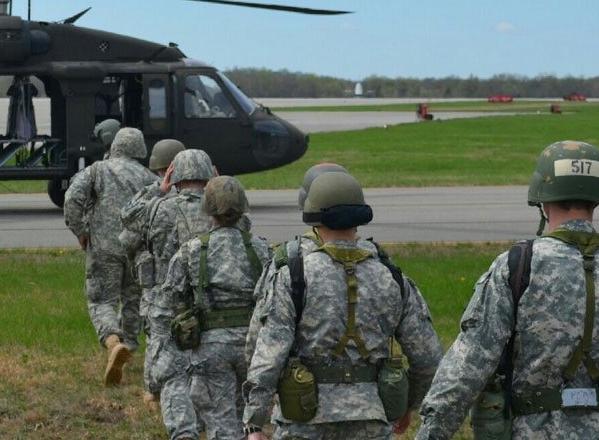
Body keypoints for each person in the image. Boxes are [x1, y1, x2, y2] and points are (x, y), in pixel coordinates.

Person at [416, 140, 599, 440]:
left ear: (542, 199)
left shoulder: (519, 265)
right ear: (598, 199)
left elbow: (467, 367)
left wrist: (430, 433)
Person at [244, 170, 442, 440]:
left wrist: (254, 422)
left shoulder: (294, 277)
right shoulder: (392, 278)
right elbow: (428, 358)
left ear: (314, 217)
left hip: (305, 420)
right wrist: (407, 404)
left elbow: (268, 355)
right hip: (371, 420)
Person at [155, 176, 272, 440]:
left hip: (210, 347)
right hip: (253, 347)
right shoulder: (262, 249)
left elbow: (172, 299)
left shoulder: (192, 250)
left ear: (208, 210)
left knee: (220, 420)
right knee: (249, 418)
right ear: (243, 209)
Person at [121, 148, 217, 439]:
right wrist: (220, 184)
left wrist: (157, 189)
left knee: (171, 373)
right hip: (211, 300)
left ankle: (183, 431)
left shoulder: (159, 208)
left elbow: (128, 217)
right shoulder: (221, 207)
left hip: (167, 300)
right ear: (208, 174)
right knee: (211, 368)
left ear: (174, 176)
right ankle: (206, 423)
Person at [64, 127, 156, 386]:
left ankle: (112, 342)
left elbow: (72, 199)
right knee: (133, 302)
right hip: (137, 249)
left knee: (101, 301)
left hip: (103, 248)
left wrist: (81, 231)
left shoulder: (96, 171)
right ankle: (129, 350)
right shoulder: (149, 178)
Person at [245, 163, 348, 364]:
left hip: (304, 385)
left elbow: (262, 334)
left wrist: (259, 384)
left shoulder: (290, 259)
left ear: (306, 202)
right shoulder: (376, 260)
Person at [118, 138, 186, 406]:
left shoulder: (151, 200)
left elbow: (126, 238)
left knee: (157, 337)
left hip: (156, 283)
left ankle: (154, 391)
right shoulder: (202, 199)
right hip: (191, 284)